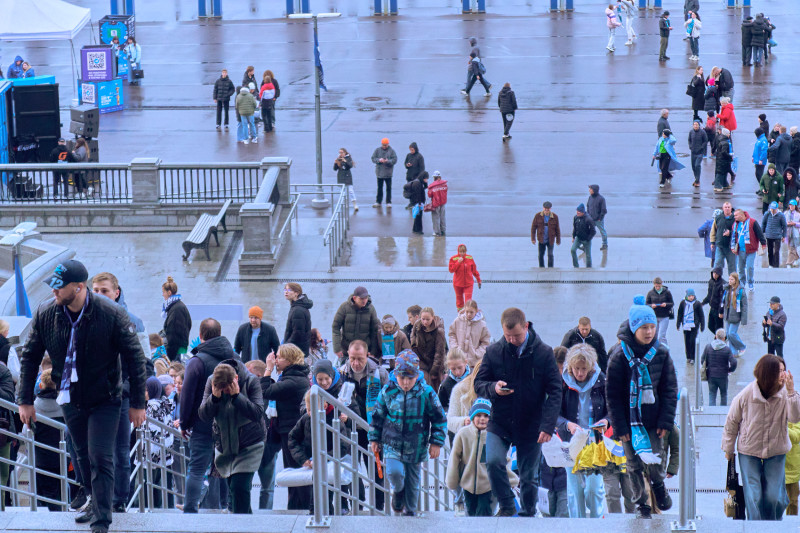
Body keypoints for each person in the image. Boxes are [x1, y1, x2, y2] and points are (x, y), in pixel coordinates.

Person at [17, 260, 147, 533]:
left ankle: (102, 520)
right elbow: (29, 357)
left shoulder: (111, 313)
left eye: (59, 286)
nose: (53, 291)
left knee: (101, 456)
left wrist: (137, 404)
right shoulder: (46, 313)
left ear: (78, 287)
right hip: (69, 396)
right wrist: (25, 400)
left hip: (105, 397)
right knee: (82, 456)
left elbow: (136, 359)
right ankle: (92, 499)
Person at [474, 307, 562, 517]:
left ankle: (528, 513)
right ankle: (506, 505)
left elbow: (555, 391)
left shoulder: (544, 352)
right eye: (508, 336)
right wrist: (493, 388)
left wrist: (548, 425)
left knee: (529, 476)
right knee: (493, 461)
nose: (512, 340)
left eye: (517, 336)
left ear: (526, 326)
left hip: (531, 422)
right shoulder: (494, 351)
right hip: (501, 420)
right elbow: (478, 383)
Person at [605, 297, 678, 518]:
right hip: (629, 422)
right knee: (633, 464)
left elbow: (669, 389)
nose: (649, 332)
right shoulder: (619, 356)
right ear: (634, 328)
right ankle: (641, 504)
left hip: (654, 419)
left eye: (652, 327)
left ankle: (658, 485)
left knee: (655, 459)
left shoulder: (661, 353)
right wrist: (619, 427)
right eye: (644, 327)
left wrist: (666, 421)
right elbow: (612, 396)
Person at [91, 271, 151, 512]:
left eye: (104, 291)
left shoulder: (133, 322)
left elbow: (145, 365)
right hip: (93, 397)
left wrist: (131, 396)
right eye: (95, 291)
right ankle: (95, 497)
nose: (99, 295)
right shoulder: (83, 318)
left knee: (120, 452)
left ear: (116, 293)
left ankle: (118, 500)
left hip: (121, 397)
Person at [369, 350, 447, 517]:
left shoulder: (426, 392)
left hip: (416, 444)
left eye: (410, 378)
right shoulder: (388, 391)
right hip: (392, 443)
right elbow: (377, 415)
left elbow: (439, 418)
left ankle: (410, 512)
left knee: (413, 481)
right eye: (402, 377)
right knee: (394, 472)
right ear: (395, 375)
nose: (405, 383)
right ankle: (398, 491)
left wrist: (436, 442)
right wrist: (374, 438)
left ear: (417, 376)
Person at [722, 354, 800, 520]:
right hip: (749, 450)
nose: (784, 375)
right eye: (779, 371)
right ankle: (756, 527)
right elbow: (732, 422)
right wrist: (728, 449)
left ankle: (771, 525)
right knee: (754, 497)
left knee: (774, 497)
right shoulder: (746, 395)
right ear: (767, 373)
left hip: (776, 450)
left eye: (784, 370)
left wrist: (792, 392)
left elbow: (795, 418)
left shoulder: (785, 394)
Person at [179, 318, 232, 512]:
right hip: (229, 424)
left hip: (202, 423)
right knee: (229, 468)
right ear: (219, 334)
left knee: (196, 469)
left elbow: (187, 395)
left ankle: (190, 509)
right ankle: (230, 508)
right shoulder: (234, 358)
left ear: (200, 335)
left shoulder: (197, 361)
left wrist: (184, 423)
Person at [198, 360, 265, 514]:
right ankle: (247, 522)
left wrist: (237, 396)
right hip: (224, 446)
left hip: (249, 444)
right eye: (222, 390)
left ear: (236, 379)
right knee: (236, 493)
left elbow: (257, 413)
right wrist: (214, 399)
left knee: (239, 487)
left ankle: (240, 524)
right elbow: (203, 415)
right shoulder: (212, 381)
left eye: (227, 389)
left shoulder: (251, 381)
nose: (225, 392)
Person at [557, 344, 608, 518]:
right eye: (576, 369)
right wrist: (568, 425)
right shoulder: (562, 383)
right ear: (570, 367)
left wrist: (606, 421)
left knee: (594, 489)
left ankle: (595, 523)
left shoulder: (601, 380)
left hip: (595, 442)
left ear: (591, 367)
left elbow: (612, 410)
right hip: (571, 441)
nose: (580, 373)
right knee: (575, 491)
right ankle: (577, 525)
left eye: (584, 369)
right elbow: (553, 413)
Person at [446, 397, 518, 517]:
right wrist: (452, 481)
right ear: (472, 417)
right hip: (467, 485)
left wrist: (511, 480)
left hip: (487, 485)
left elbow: (502, 460)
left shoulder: (494, 436)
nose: (482, 419)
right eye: (478, 415)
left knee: (483, 516)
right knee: (471, 513)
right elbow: (454, 458)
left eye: (486, 416)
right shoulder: (463, 434)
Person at [339, 340, 389, 510]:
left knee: (376, 470)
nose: (355, 363)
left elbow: (388, 401)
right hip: (350, 428)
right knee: (351, 468)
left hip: (372, 429)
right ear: (348, 355)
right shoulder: (341, 372)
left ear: (367, 356)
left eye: (360, 359)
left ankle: (379, 506)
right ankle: (357, 504)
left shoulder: (380, 373)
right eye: (352, 358)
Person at [261, 343, 311, 509]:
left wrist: (268, 369)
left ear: (289, 360)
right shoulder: (294, 377)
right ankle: (295, 506)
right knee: (293, 471)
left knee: (296, 471)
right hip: (288, 430)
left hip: (291, 431)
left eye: (279, 357)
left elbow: (265, 391)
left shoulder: (293, 381)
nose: (276, 360)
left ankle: (303, 508)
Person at [32, 369, 65, 510]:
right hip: (63, 457)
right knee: (63, 491)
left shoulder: (34, 407)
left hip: (42, 458)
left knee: (46, 493)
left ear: (40, 385)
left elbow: (25, 433)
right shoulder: (65, 405)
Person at [331, 286, 381, 364]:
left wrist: (373, 351)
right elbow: (335, 327)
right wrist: (337, 348)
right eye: (361, 299)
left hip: (364, 351)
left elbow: (374, 332)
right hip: (346, 350)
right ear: (354, 298)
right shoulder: (344, 307)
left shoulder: (371, 309)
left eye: (366, 298)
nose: (364, 300)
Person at [410, 306, 447, 391]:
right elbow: (413, 339)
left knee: (435, 388)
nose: (425, 322)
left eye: (428, 319)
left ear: (433, 318)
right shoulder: (417, 326)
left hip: (435, 364)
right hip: (422, 361)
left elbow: (439, 353)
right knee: (422, 386)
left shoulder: (439, 331)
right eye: (423, 319)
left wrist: (434, 371)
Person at [448, 299, 491, 367]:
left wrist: (477, 353)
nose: (469, 314)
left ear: (476, 311)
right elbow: (452, 334)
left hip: (474, 362)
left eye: (471, 312)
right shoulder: (458, 321)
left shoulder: (482, 325)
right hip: (458, 360)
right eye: (467, 311)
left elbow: (485, 342)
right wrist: (455, 349)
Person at [731, 209, 766, 290]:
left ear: (741, 215)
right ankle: (742, 283)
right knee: (740, 268)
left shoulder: (752, 222)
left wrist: (763, 243)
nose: (734, 217)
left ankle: (750, 282)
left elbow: (759, 233)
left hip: (751, 250)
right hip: (740, 250)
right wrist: (733, 247)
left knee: (750, 267)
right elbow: (734, 236)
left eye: (736, 215)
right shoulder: (735, 224)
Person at [701, 329, 737, 406]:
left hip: (711, 375)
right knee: (724, 394)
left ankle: (711, 411)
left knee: (712, 394)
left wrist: (708, 367)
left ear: (716, 336)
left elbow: (702, 360)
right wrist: (730, 370)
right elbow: (734, 362)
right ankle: (723, 411)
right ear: (724, 338)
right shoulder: (727, 349)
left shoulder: (708, 347)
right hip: (723, 376)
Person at [161, 277, 191, 362]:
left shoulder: (176, 310)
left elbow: (173, 335)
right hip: (179, 348)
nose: (162, 295)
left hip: (176, 351)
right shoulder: (176, 305)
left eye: (163, 292)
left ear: (169, 292)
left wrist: (169, 356)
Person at [721, 272, 747, 356]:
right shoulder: (727, 289)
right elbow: (723, 302)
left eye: (731, 279)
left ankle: (742, 347)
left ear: (736, 280)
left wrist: (743, 319)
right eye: (729, 279)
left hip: (736, 316)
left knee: (731, 333)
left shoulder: (741, 291)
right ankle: (734, 352)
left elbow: (744, 306)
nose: (729, 281)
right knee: (728, 335)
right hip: (728, 315)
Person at [282, 283, 312, 356]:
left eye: (289, 290)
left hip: (295, 352)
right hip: (297, 350)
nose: (286, 292)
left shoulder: (297, 310)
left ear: (297, 293)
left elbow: (297, 333)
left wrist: (286, 347)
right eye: (285, 289)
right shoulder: (297, 307)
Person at [448, 244, 481, 310]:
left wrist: (478, 280)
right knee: (459, 301)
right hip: (458, 284)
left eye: (463, 252)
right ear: (458, 251)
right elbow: (451, 270)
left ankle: (467, 314)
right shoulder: (453, 259)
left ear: (466, 251)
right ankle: (460, 314)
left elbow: (474, 271)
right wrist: (458, 262)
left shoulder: (470, 258)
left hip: (468, 284)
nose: (462, 253)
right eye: (460, 252)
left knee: (468, 302)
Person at [676, 289, 705, 363]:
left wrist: (702, 325)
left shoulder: (697, 303)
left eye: (692, 296)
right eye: (689, 296)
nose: (691, 297)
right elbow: (680, 313)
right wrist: (678, 324)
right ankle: (688, 356)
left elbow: (701, 315)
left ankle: (693, 357)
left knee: (692, 341)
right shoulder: (683, 303)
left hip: (694, 325)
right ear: (687, 296)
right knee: (687, 341)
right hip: (686, 325)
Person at [438, 347, 470, 413]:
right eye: (453, 369)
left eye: (460, 368)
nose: (457, 372)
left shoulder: (474, 379)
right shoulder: (445, 386)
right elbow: (442, 408)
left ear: (465, 362)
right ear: (448, 366)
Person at [531, 201, 561, 268]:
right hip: (541, 239)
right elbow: (533, 228)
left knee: (550, 255)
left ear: (550, 209)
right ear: (543, 208)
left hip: (550, 239)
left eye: (548, 209)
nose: (546, 210)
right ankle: (541, 268)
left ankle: (550, 268)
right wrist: (533, 239)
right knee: (541, 255)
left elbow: (557, 229)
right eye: (545, 209)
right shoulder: (537, 216)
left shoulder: (555, 217)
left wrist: (558, 240)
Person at [646, 277, 674, 347]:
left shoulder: (667, 292)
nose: (658, 288)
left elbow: (672, 303)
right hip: (654, 317)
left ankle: (664, 349)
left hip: (664, 316)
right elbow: (647, 304)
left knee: (661, 335)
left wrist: (666, 304)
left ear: (661, 284)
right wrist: (651, 305)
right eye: (656, 286)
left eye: (659, 286)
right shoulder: (650, 293)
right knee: (654, 335)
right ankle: (655, 350)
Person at [371, 138, 397, 208]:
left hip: (388, 173)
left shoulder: (392, 151)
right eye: (383, 145)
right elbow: (373, 158)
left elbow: (395, 160)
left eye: (385, 145)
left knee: (388, 188)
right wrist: (379, 160)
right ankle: (378, 201)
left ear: (388, 144)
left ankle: (388, 202)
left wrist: (388, 161)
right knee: (379, 188)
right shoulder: (377, 150)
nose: (384, 146)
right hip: (379, 173)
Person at [711, 202, 736, 274]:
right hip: (720, 246)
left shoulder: (735, 218)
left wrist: (730, 233)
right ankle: (716, 280)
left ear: (731, 208)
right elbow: (713, 231)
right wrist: (712, 242)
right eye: (725, 207)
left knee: (732, 266)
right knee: (717, 265)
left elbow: (739, 231)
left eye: (728, 207)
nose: (727, 209)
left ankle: (733, 280)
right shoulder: (718, 218)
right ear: (723, 208)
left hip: (731, 247)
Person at [762, 202, 787, 267]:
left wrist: (784, 236)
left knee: (776, 251)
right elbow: (763, 223)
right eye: (772, 209)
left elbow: (784, 226)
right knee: (770, 250)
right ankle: (771, 264)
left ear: (777, 208)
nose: (772, 210)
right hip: (769, 235)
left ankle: (776, 265)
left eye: (774, 209)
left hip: (777, 235)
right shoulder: (767, 214)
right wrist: (762, 234)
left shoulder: (781, 215)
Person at [571, 204, 595, 268]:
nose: (577, 212)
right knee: (573, 250)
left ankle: (589, 268)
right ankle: (576, 266)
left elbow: (593, 231)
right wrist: (573, 237)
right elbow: (575, 228)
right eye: (577, 211)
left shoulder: (588, 219)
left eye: (579, 211)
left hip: (586, 239)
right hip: (578, 238)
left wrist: (588, 239)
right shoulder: (575, 217)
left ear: (583, 212)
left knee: (588, 255)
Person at [701, 267, 725, 333]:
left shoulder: (722, 284)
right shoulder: (711, 282)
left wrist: (721, 311)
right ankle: (720, 337)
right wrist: (703, 303)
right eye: (714, 273)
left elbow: (722, 300)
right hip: (712, 308)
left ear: (719, 274)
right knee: (710, 326)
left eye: (716, 274)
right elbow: (709, 295)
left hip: (718, 309)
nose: (714, 275)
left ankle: (720, 337)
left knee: (719, 328)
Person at [427, 170, 448, 236]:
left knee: (435, 218)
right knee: (442, 217)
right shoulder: (445, 184)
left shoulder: (432, 186)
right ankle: (443, 230)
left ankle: (437, 232)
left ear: (434, 177)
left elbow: (429, 195)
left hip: (435, 203)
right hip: (443, 203)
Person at [587, 185, 608, 250]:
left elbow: (604, 210)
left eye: (590, 189)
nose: (589, 190)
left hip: (598, 220)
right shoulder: (590, 197)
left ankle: (605, 244)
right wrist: (588, 216)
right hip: (591, 219)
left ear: (594, 190)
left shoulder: (601, 199)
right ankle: (586, 245)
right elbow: (588, 206)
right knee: (588, 232)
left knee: (602, 232)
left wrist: (600, 218)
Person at [689, 120, 708, 186]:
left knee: (697, 165)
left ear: (699, 125)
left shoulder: (702, 132)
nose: (695, 126)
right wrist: (690, 146)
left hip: (700, 152)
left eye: (697, 124)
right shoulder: (691, 132)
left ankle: (697, 181)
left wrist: (702, 147)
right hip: (693, 152)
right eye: (694, 124)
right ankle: (696, 179)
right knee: (693, 167)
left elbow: (705, 141)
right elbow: (689, 140)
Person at [787, 421, 800, 516]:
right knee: (771, 501)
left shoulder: (796, 415)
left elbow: (796, 436)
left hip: (791, 468)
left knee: (792, 502)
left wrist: (780, 425)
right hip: (770, 465)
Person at [785, 199, 800, 267]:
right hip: (788, 233)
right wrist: (787, 223)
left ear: (795, 206)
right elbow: (782, 222)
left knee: (792, 248)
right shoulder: (786, 213)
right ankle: (797, 258)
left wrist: (795, 223)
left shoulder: (798, 214)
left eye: (792, 205)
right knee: (790, 248)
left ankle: (789, 263)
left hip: (795, 233)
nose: (791, 206)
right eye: (790, 205)